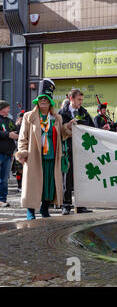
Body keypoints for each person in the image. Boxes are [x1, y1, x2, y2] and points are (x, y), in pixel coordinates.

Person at [15, 79, 75, 220]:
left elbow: (62, 135)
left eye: (46, 99)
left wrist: (68, 127)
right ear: (37, 101)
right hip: (35, 156)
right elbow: (22, 138)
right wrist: (22, 154)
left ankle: (44, 208)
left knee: (49, 184)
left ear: (50, 103)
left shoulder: (56, 118)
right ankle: (30, 210)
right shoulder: (29, 116)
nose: (43, 101)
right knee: (33, 185)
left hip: (52, 156)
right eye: (41, 99)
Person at [58, 88, 95, 215]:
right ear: (71, 99)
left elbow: (92, 129)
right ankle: (66, 205)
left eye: (82, 100)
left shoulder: (84, 113)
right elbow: (57, 131)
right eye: (79, 99)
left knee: (81, 178)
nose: (81, 102)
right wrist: (68, 126)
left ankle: (81, 205)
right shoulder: (61, 113)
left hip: (81, 150)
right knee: (67, 178)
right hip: (67, 149)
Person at [0, 100, 19, 207]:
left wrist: (19, 125)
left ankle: (2, 199)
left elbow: (15, 130)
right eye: (7, 108)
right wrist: (8, 135)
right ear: (2, 109)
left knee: (4, 179)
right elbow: (6, 133)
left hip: (8, 154)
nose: (9, 110)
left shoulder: (9, 120)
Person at [11, 110, 25, 192]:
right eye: (21, 117)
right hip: (18, 150)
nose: (22, 119)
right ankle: (19, 185)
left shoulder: (27, 124)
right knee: (19, 170)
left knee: (23, 170)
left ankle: (22, 185)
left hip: (25, 149)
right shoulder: (16, 126)